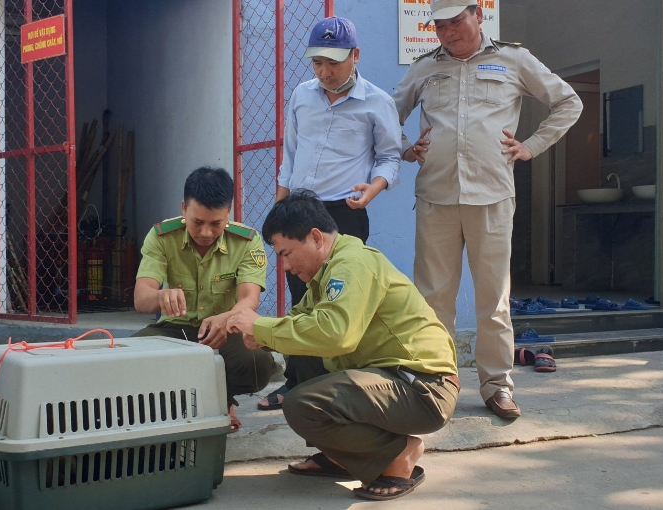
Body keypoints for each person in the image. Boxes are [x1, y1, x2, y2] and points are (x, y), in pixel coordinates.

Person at [392, 0, 582, 419]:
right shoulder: (425, 67)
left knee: (493, 299)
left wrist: (531, 146)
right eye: (439, 25)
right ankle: (436, 384)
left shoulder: (514, 59)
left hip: (492, 197)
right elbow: (388, 114)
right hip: (436, 199)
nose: (447, 32)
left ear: (478, 15)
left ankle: (497, 387)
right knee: (432, 299)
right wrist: (403, 149)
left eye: (456, 21)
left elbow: (568, 102)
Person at [227, 190, 459, 501]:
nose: (283, 266)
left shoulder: (352, 263)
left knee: (301, 404)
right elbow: (301, 323)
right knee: (304, 356)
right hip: (392, 379)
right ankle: (339, 456)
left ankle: (398, 455)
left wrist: (260, 327)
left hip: (423, 387)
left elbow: (337, 335)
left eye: (285, 253)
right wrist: (259, 334)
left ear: (315, 238)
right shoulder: (325, 274)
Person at [260, 15, 403, 411]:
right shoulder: (302, 95)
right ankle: (296, 382)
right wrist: (281, 204)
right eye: (317, 63)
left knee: (341, 300)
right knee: (301, 297)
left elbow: (390, 158)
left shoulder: (377, 101)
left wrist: (372, 189)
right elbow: (288, 155)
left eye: (334, 63)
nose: (324, 72)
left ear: (355, 56)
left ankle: (340, 383)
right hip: (300, 211)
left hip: (346, 213)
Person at [132, 166, 277, 433]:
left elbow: (249, 298)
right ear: (184, 208)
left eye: (216, 224)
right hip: (174, 330)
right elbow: (141, 298)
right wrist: (161, 296)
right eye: (198, 222)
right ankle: (182, 411)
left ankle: (222, 400)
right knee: (129, 359)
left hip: (226, 330)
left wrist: (226, 319)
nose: (207, 233)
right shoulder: (162, 236)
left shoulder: (247, 241)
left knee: (258, 364)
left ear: (228, 213)